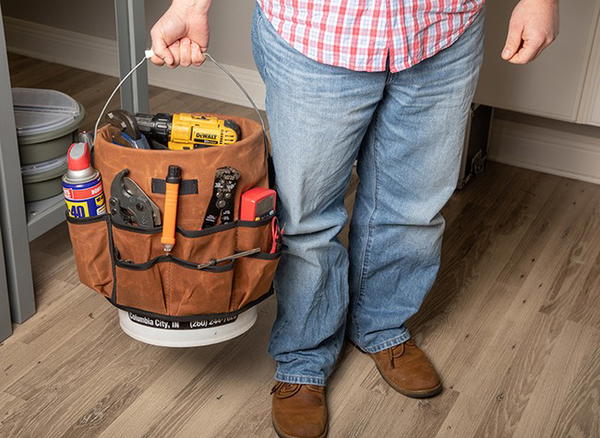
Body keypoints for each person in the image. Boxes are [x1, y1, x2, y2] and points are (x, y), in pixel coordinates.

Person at [150, 1, 558, 437]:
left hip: (443, 29)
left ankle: (381, 324)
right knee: (305, 219)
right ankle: (304, 357)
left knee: (413, 209)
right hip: (317, 31)